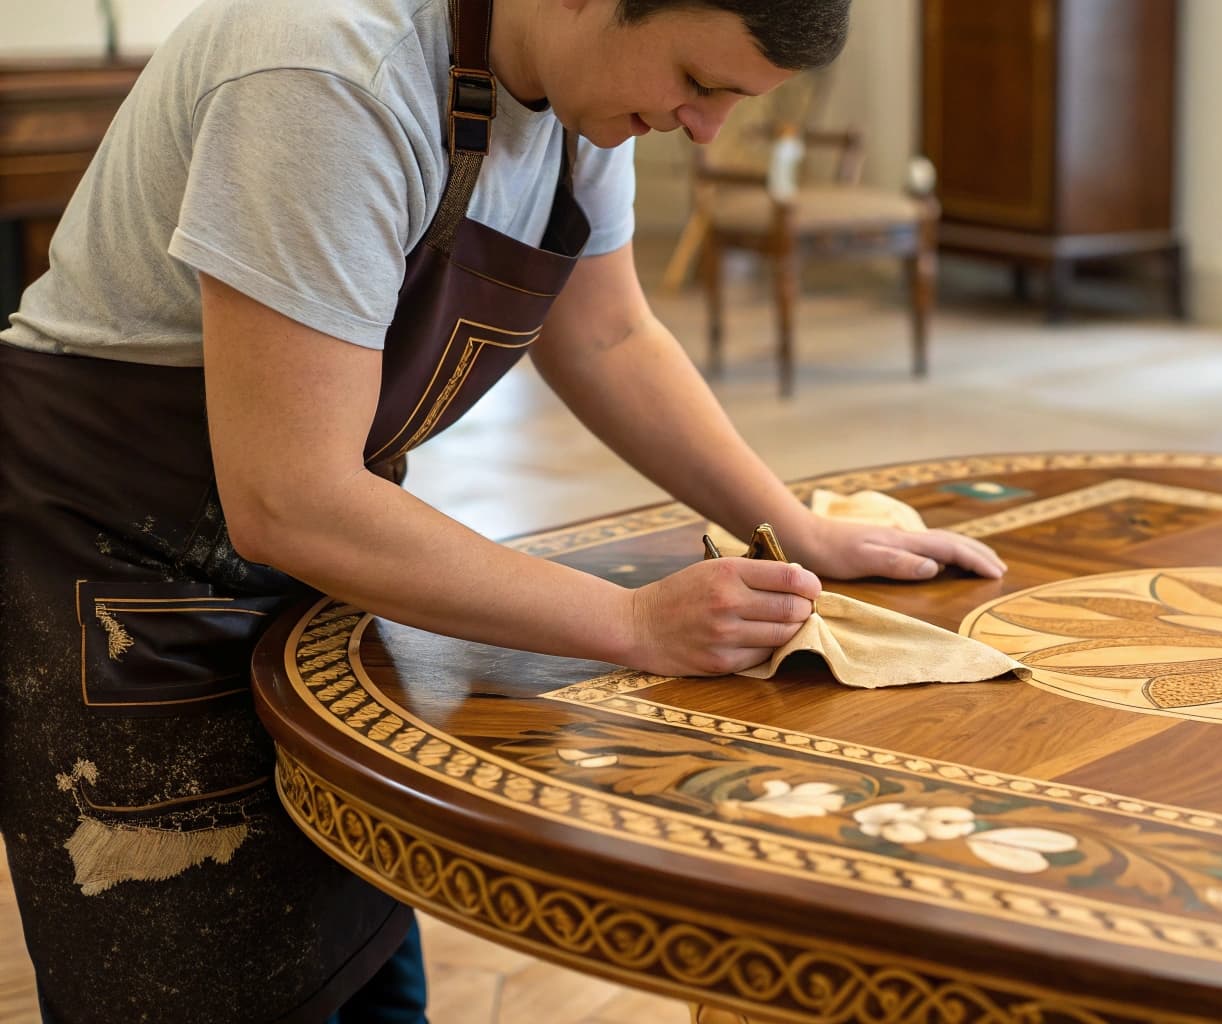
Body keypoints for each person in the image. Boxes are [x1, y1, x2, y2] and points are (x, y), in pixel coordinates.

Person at [0, 0, 1004, 1018]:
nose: (705, 129)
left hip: (317, 561)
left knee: (356, 949)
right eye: (699, 84)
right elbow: (290, 498)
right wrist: (630, 621)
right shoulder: (327, 68)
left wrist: (799, 527)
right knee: (193, 979)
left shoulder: (587, 93)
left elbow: (608, 336)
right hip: (114, 565)